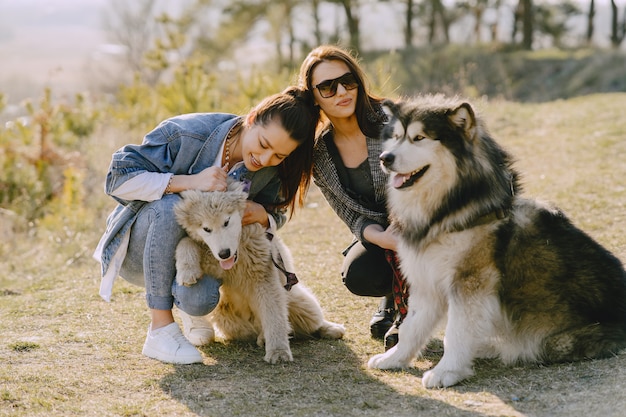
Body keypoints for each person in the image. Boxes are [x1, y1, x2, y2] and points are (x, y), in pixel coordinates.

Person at [93, 87, 319, 364]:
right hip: (142, 249)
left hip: (204, 254)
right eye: (263, 144)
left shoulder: (269, 169)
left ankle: (190, 310)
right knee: (169, 207)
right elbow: (116, 177)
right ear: (252, 118)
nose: (265, 159)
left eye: (279, 156)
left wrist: (262, 215)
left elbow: (278, 213)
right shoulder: (187, 132)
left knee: (200, 299)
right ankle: (160, 328)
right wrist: (188, 182)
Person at [297, 45, 407, 350]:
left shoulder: (394, 120)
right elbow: (351, 216)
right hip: (383, 233)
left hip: (426, 219)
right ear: (313, 96)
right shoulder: (319, 154)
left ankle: (409, 314)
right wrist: (384, 239)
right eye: (327, 87)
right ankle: (394, 297)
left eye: (348, 81)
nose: (342, 91)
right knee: (358, 273)